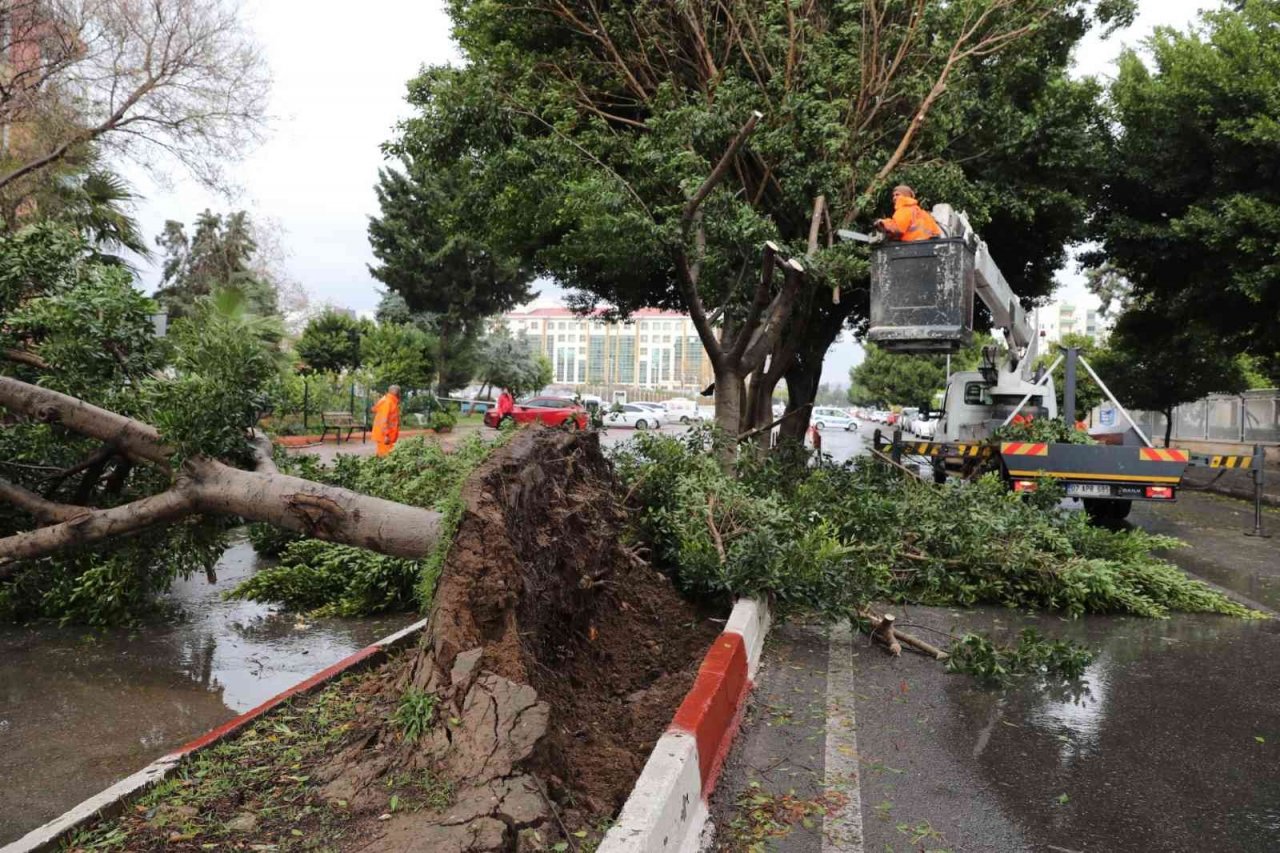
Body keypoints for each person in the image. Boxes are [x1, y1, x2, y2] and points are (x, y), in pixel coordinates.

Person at [875, 185, 943, 242]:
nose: (894, 198)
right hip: (926, 247)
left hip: (911, 247)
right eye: (893, 195)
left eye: (897, 194)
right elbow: (936, 233)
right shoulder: (922, 213)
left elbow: (898, 229)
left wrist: (883, 223)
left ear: (905, 196)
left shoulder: (905, 210)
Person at [371, 385, 401, 457]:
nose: (401, 394)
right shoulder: (388, 402)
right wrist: (386, 435)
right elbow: (383, 420)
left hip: (387, 435)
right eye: (400, 392)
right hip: (385, 436)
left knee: (384, 456)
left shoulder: (389, 401)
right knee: (385, 457)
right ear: (397, 393)